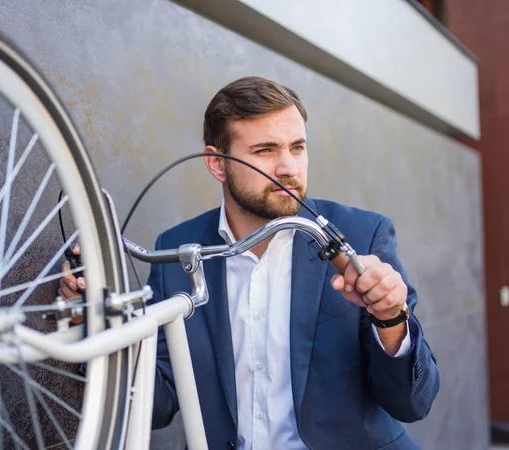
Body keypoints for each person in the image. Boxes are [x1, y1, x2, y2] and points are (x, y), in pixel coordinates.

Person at [60, 76, 439, 450]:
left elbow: (412, 403)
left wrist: (390, 318)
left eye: (297, 147)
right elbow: (156, 404)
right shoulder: (176, 249)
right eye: (265, 151)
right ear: (216, 164)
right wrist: (94, 324)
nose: (289, 167)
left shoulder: (362, 234)